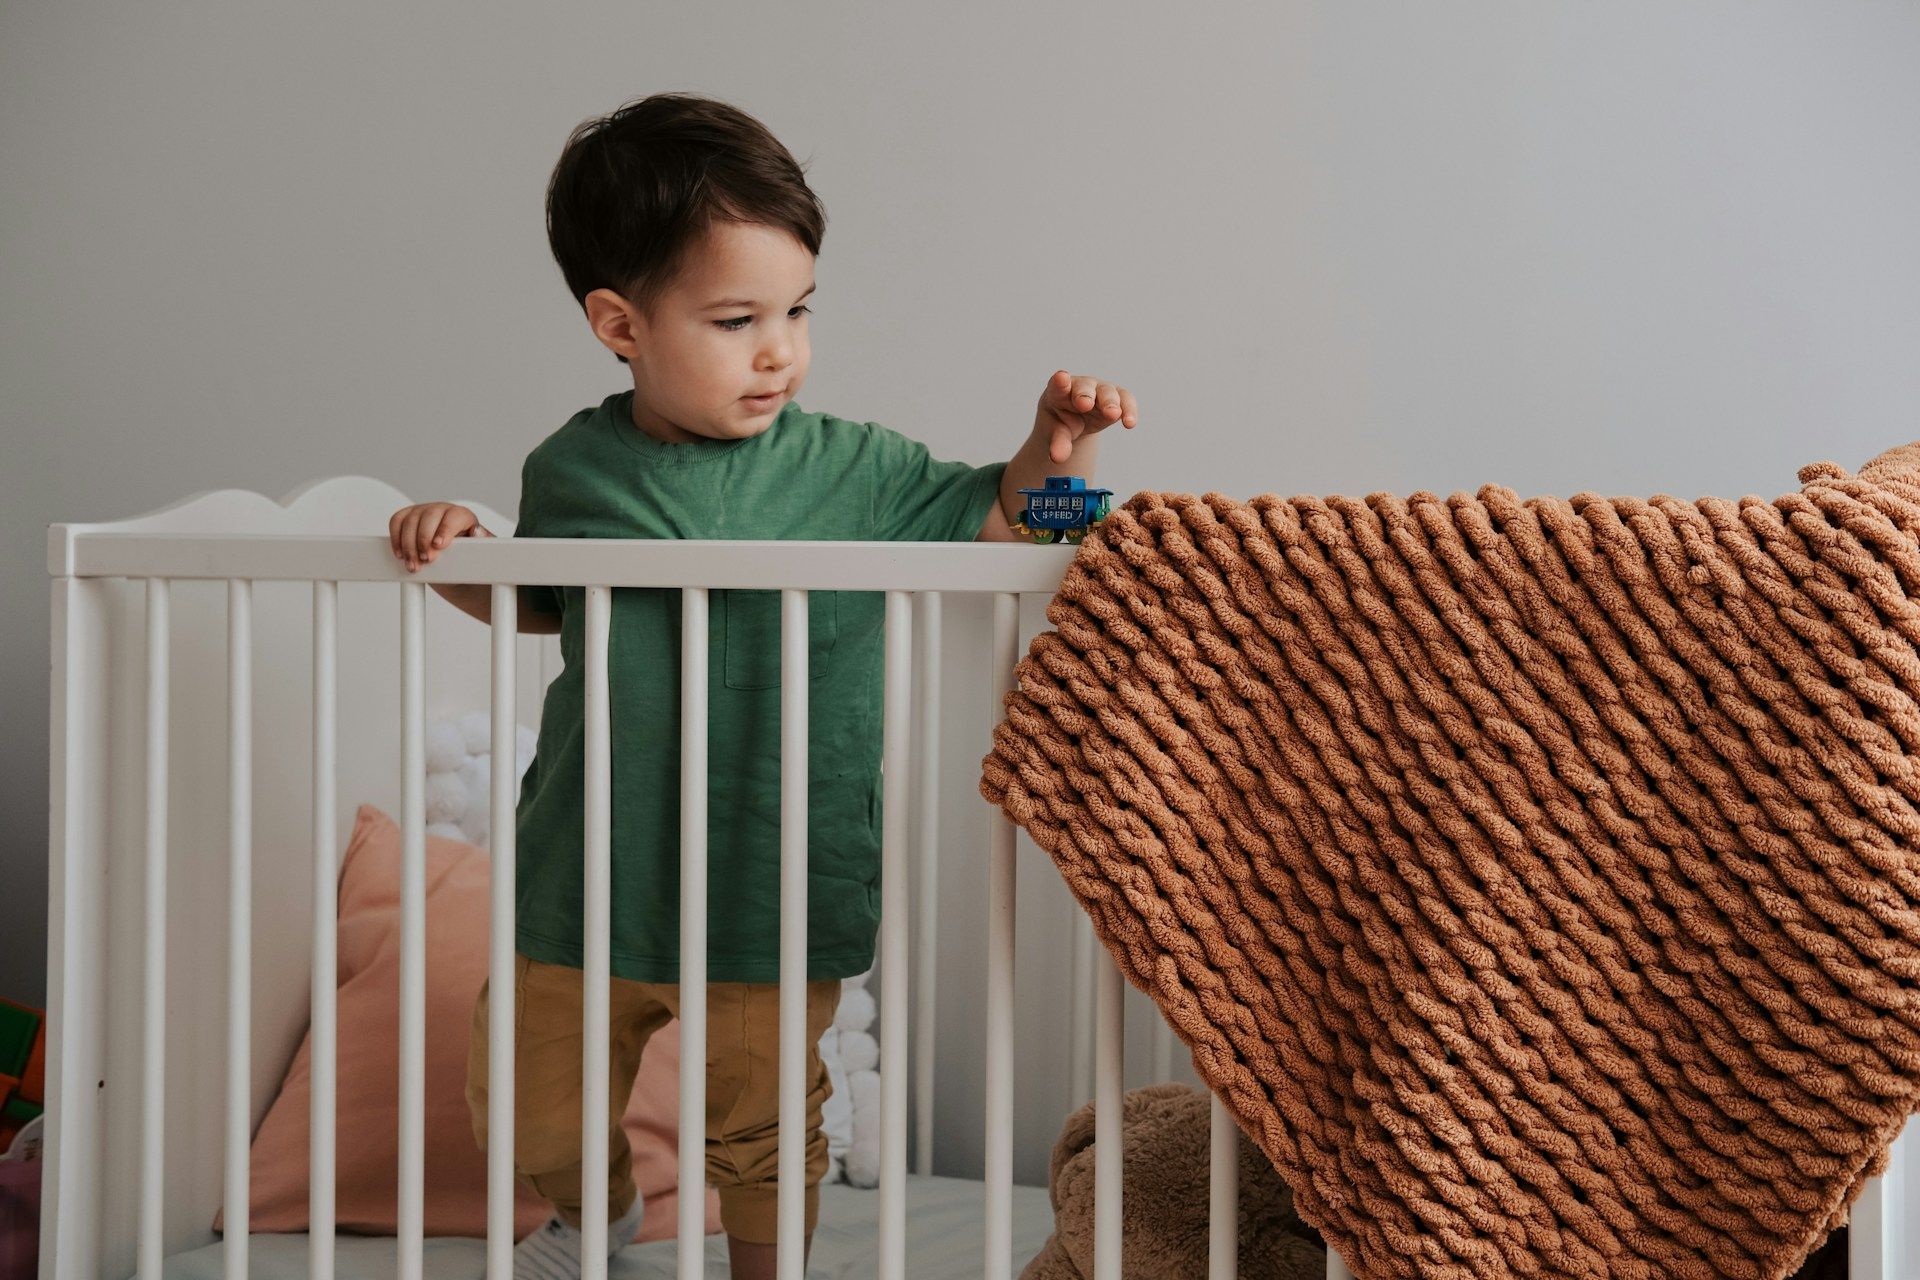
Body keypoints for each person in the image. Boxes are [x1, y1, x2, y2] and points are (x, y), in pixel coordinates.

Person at [388, 92, 1140, 1280]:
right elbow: (534, 598)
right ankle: (596, 1206)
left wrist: (1058, 450)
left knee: (764, 1122)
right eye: (736, 318)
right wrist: (460, 552)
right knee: (531, 1096)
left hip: (772, 872)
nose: (779, 347)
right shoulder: (575, 467)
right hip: (589, 867)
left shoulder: (858, 468)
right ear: (618, 323)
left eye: (797, 309)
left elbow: (1011, 533)